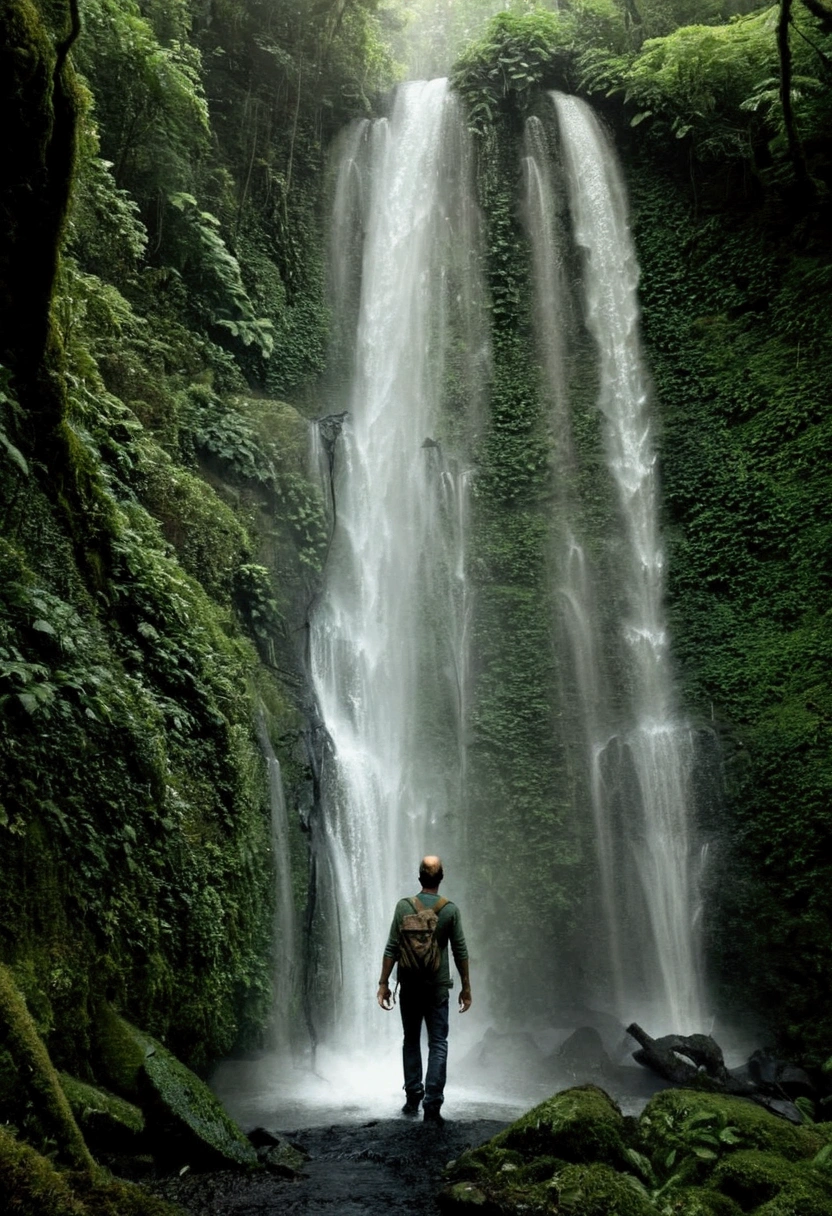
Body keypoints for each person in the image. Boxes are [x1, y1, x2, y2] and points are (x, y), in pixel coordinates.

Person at [376, 855, 471, 1123]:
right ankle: (433, 1105)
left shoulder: (403, 907)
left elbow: (391, 947)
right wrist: (466, 987)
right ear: (441, 878)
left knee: (411, 1040)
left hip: (409, 986)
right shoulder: (450, 910)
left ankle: (412, 1097)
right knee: (438, 1043)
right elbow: (460, 950)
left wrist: (384, 983)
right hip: (437, 988)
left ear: (420, 878)